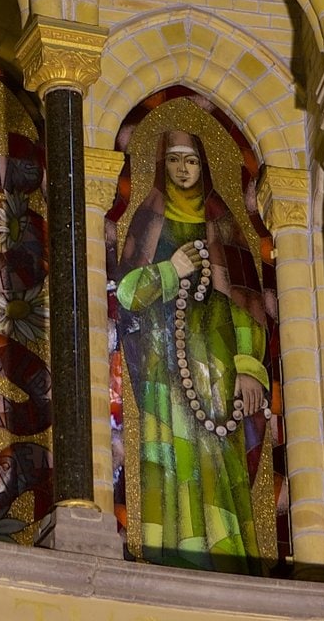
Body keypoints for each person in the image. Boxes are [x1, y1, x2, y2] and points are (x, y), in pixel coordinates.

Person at [111, 130, 273, 568]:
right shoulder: (148, 220)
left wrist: (246, 367)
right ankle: (172, 559)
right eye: (175, 160)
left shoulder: (222, 225)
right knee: (169, 464)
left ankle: (228, 560)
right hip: (164, 372)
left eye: (192, 161)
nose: (184, 169)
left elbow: (245, 301)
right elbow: (125, 295)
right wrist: (170, 269)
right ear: (162, 166)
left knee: (218, 468)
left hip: (219, 373)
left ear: (204, 168)